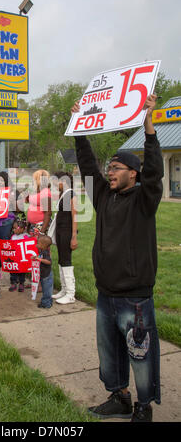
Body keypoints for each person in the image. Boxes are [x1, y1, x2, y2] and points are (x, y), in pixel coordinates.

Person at [72, 94, 163, 422]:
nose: (109, 172)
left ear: (133, 174)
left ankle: (143, 407)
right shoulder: (104, 196)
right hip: (105, 293)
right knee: (109, 355)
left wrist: (149, 126)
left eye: (116, 168)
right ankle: (120, 398)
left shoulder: (145, 199)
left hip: (135, 297)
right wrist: (80, 129)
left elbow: (154, 173)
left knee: (140, 355)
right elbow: (86, 166)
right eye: (108, 167)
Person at [51, 172, 78, 304]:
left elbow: (75, 216)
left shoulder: (72, 194)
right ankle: (63, 289)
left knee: (66, 260)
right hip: (61, 231)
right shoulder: (64, 194)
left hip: (67, 232)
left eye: (56, 181)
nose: (55, 184)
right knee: (61, 259)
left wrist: (74, 236)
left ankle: (71, 293)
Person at [26, 170, 52, 237]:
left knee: (40, 246)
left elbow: (48, 213)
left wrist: (42, 232)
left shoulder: (45, 192)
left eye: (34, 178)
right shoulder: (35, 190)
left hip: (40, 225)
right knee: (32, 246)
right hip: (32, 225)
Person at [9, 219, 29, 292]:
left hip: (22, 259)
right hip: (14, 258)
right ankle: (13, 283)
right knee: (13, 271)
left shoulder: (26, 236)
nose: (14, 230)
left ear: (22, 229)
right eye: (13, 228)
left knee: (22, 272)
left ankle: (21, 283)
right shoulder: (13, 237)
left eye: (15, 228)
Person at [35, 235, 53, 309]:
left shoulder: (46, 252)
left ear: (43, 245)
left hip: (47, 274)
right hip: (43, 273)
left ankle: (46, 303)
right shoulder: (42, 251)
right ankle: (46, 301)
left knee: (47, 289)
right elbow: (40, 257)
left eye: (38, 243)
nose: (36, 244)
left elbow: (49, 262)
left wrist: (40, 260)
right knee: (45, 288)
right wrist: (35, 257)